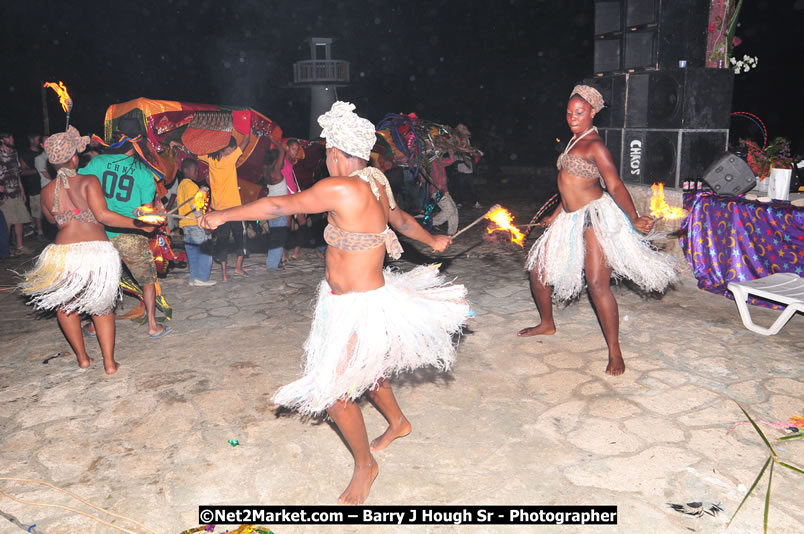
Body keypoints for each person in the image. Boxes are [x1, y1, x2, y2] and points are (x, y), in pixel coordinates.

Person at [199, 101, 471, 505]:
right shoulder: (376, 179)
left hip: (358, 305)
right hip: (350, 300)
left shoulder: (342, 187)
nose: (324, 157)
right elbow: (401, 220)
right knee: (369, 368)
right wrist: (432, 240)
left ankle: (365, 466)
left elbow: (277, 205)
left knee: (336, 393)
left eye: (326, 149)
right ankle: (398, 422)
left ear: (337, 153)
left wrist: (222, 216)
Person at [518, 85, 678, 376]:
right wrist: (555, 214)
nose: (572, 118)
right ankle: (547, 323)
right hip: (568, 217)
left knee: (596, 283)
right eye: (569, 113)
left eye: (579, 113)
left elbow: (613, 184)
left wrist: (633, 217)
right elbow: (569, 185)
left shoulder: (595, 146)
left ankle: (615, 350)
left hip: (594, 218)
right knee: (538, 274)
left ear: (593, 112)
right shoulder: (573, 140)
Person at [18, 127, 159, 373]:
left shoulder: (47, 191)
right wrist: (139, 224)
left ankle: (82, 358)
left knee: (66, 305)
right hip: (95, 250)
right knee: (101, 306)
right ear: (74, 158)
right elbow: (104, 216)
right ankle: (109, 363)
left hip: (63, 253)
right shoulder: (88, 181)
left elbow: (52, 222)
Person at [79, 118, 172, 338]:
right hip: (130, 235)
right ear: (140, 142)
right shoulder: (143, 172)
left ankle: (94, 326)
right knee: (148, 281)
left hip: (100, 234)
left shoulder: (98, 162)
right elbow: (146, 212)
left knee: (101, 282)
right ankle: (152, 325)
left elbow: (76, 185)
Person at [198, 134, 250, 281]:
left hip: (218, 209)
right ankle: (238, 268)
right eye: (232, 148)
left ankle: (225, 275)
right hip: (234, 209)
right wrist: (247, 127)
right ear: (226, 148)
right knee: (241, 237)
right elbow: (246, 141)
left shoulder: (210, 159)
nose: (233, 151)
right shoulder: (230, 159)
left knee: (222, 241)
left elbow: (195, 151)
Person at [176, 158, 215, 286]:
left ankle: (193, 278)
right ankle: (203, 278)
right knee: (205, 250)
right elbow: (196, 206)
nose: (197, 173)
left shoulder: (181, 185)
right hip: (195, 223)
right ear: (186, 170)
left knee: (193, 253)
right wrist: (204, 224)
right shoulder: (191, 185)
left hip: (186, 226)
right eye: (195, 170)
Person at [0, 131, 33, 255]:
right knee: (7, 222)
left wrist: (22, 190)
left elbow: (17, 174)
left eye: (12, 137)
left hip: (16, 192)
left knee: (20, 218)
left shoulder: (14, 153)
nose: (11, 139)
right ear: (2, 140)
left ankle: (20, 246)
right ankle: (6, 249)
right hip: (5, 194)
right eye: (8, 137)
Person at [262, 145, 290, 270]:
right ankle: (272, 265)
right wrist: (272, 140)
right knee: (278, 239)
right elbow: (282, 151)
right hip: (280, 209)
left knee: (275, 237)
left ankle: (273, 263)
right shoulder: (275, 172)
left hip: (270, 207)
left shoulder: (266, 170)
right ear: (276, 161)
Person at [279, 138, 307, 261]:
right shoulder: (281, 160)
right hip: (286, 197)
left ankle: (296, 250)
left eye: (297, 149)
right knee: (286, 226)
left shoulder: (290, 162)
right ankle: (283, 254)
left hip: (294, 197)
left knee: (302, 223)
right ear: (287, 148)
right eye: (293, 149)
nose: (295, 152)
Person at [429, 141, 459, 235]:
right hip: (437, 191)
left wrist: (450, 152)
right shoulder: (432, 161)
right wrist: (443, 147)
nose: (443, 153)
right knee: (449, 210)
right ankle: (432, 223)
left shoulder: (440, 162)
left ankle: (452, 231)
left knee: (453, 209)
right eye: (441, 152)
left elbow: (451, 160)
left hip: (444, 191)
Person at [19, 134, 44, 238]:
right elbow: (21, 172)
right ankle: (39, 231)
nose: (39, 141)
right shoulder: (25, 154)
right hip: (33, 186)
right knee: (36, 209)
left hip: (44, 184)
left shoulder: (42, 152)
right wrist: (36, 170)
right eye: (37, 138)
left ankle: (36, 227)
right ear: (31, 140)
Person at [452, 123, 482, 209]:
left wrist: (473, 152)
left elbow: (469, 150)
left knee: (471, 187)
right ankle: (459, 202)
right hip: (460, 168)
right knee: (460, 187)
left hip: (468, 169)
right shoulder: (456, 140)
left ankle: (475, 202)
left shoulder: (467, 140)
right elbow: (456, 150)